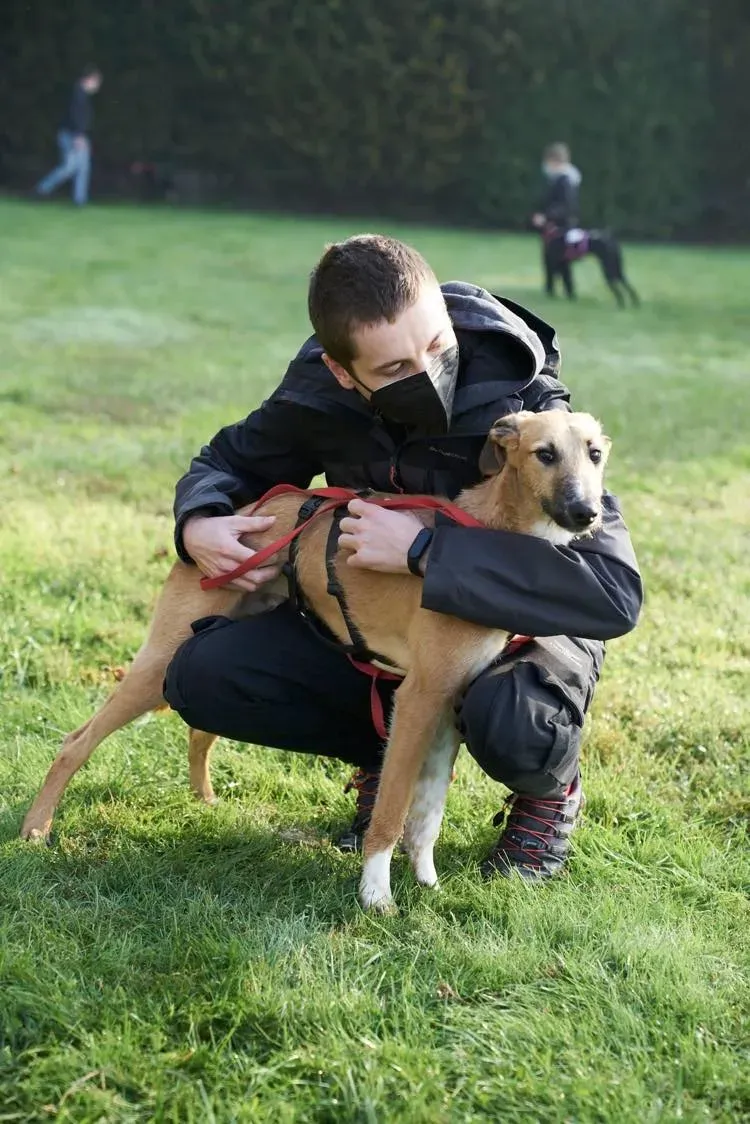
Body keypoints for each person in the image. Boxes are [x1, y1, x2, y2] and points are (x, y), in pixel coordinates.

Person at [163, 235, 642, 880]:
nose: (424, 372)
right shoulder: (317, 397)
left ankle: (547, 794)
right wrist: (197, 522)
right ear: (344, 372)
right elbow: (227, 463)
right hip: (397, 630)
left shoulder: (529, 405)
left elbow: (610, 591)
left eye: (438, 345)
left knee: (514, 720)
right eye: (392, 370)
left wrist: (425, 551)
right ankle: (386, 762)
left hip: (526, 617)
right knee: (204, 673)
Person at [35, 66, 102, 206]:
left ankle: (79, 200)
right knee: (69, 167)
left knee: (83, 168)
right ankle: (42, 189)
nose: (97, 86)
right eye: (96, 82)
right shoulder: (77, 94)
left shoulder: (80, 94)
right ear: (89, 79)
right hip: (73, 135)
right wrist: (79, 135)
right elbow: (75, 116)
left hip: (77, 135)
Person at [532, 142, 586, 298]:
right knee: (557, 259)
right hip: (556, 226)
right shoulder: (559, 179)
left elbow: (566, 206)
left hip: (561, 228)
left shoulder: (565, 180)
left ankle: (561, 290)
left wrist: (546, 217)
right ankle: (558, 290)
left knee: (559, 259)